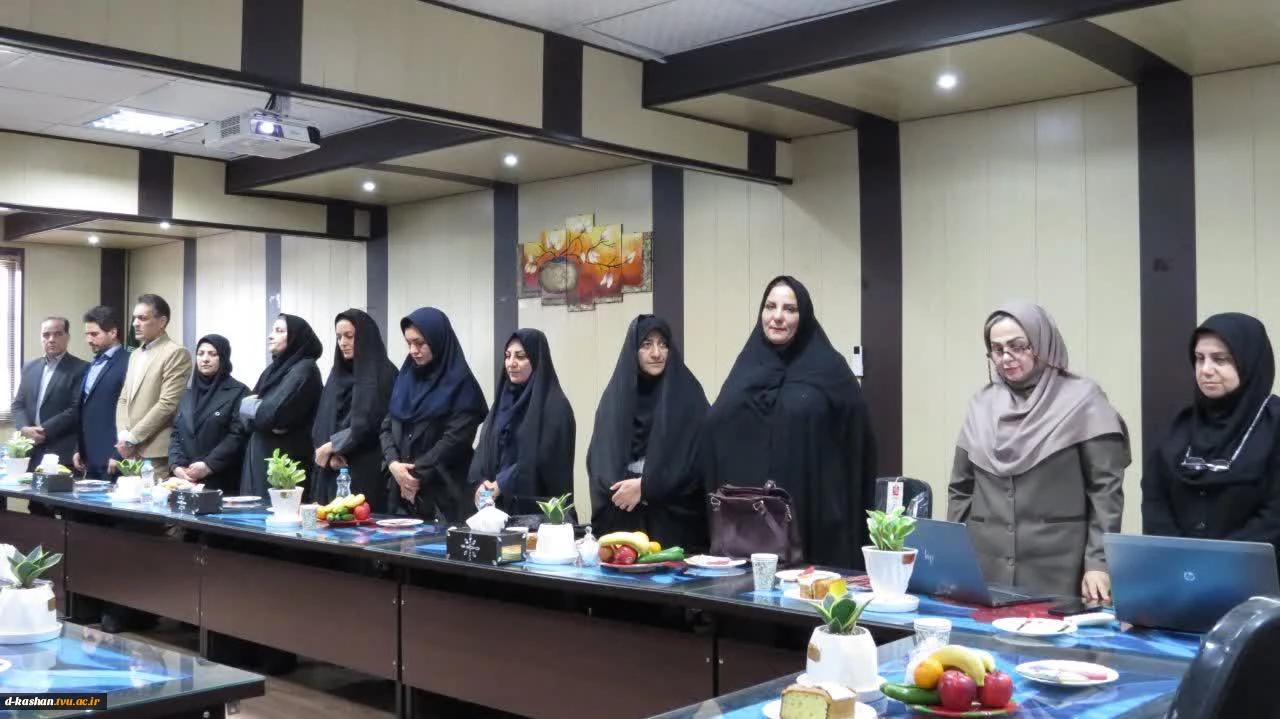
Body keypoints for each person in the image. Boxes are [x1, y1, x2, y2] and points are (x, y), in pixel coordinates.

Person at [951, 301, 1129, 602]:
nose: (1006, 357)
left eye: (1018, 346)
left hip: (1059, 570)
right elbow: (961, 488)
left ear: (1043, 342)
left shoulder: (1083, 400)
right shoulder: (981, 405)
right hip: (986, 567)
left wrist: (1099, 563)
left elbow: (1105, 491)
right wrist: (955, 556)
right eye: (997, 349)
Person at [701, 276, 877, 568]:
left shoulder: (830, 370)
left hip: (812, 519)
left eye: (789, 309)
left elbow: (858, 439)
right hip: (748, 528)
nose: (778, 316)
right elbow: (714, 429)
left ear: (803, 316)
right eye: (770, 306)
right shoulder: (747, 367)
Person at [1143, 313, 1280, 558]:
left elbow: (1274, 514)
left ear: (1249, 362)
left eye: (1220, 359)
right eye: (1199, 358)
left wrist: (1218, 559)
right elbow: (1155, 498)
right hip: (1181, 570)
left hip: (1258, 570)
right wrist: (1178, 555)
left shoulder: (1274, 424)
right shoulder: (1179, 427)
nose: (1206, 370)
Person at [588, 315, 710, 551]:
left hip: (675, 527)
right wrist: (622, 490)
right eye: (646, 344)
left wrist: (647, 488)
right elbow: (600, 459)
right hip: (623, 522)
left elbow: (699, 460)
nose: (656, 353)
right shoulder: (615, 398)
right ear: (633, 351)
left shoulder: (688, 395)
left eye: (663, 344)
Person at [381, 308, 488, 520]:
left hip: (445, 495)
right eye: (409, 343)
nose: (413, 350)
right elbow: (386, 427)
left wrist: (412, 475)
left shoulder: (461, 385)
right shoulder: (406, 379)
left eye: (420, 343)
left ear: (438, 341)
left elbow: (454, 441)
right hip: (403, 496)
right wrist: (394, 465)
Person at [470, 329, 576, 518]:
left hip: (538, 514)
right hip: (496, 511)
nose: (511, 363)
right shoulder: (501, 403)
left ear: (536, 360)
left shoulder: (555, 407)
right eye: (507, 356)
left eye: (521, 356)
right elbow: (484, 446)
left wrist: (504, 483)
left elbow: (546, 458)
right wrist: (481, 482)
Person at [312, 309, 397, 511]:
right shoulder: (337, 374)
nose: (343, 343)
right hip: (331, 470)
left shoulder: (383, 372)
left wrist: (334, 445)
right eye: (339, 337)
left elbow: (374, 422)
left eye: (349, 336)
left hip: (365, 470)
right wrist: (329, 456)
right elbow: (322, 419)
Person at [239, 314, 324, 499]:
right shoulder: (272, 370)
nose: (271, 336)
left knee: (279, 512)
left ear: (294, 337)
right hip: (260, 456)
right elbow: (243, 414)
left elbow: (274, 415)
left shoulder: (305, 370)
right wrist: (256, 412)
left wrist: (258, 411)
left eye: (279, 331)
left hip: (285, 464)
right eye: (272, 330)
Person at [115, 294, 192, 480]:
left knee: (151, 498)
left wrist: (134, 437)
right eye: (134, 318)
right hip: (129, 451)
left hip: (155, 452)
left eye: (142, 318)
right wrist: (123, 434)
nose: (135, 323)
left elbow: (168, 403)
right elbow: (124, 398)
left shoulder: (175, 353)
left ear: (162, 322)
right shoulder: (134, 355)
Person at [169, 335, 250, 493]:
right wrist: (176, 465)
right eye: (200, 354)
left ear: (223, 358)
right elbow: (176, 433)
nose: (205, 359)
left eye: (212, 354)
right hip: (186, 480)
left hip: (222, 480)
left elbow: (237, 435)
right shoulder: (187, 393)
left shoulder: (239, 392)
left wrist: (208, 465)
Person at [11, 317, 88, 471]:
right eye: (46, 335)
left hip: (61, 451)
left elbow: (75, 409)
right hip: (31, 450)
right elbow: (18, 404)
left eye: (57, 334)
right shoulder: (29, 367)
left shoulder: (81, 368)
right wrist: (24, 429)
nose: (51, 339)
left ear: (67, 337)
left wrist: (43, 430)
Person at [74, 306, 129, 480]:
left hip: (113, 457)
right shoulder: (94, 363)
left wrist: (119, 452)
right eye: (87, 334)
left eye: (94, 334)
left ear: (113, 333)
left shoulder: (128, 362)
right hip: (89, 457)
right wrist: (79, 448)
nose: (88, 340)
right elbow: (86, 409)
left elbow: (131, 412)